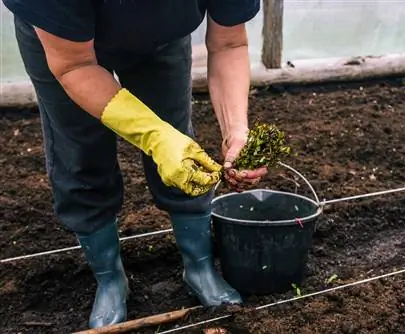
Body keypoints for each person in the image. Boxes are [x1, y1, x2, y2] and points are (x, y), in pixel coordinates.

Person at [2, 0, 268, 329]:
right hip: (64, 45)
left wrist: (236, 131)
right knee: (80, 153)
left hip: (160, 39)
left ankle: (199, 266)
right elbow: (74, 66)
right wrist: (155, 136)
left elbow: (229, 41)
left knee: (178, 139)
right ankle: (110, 279)